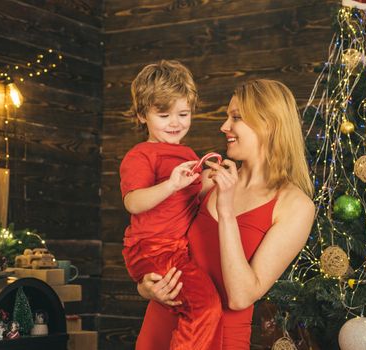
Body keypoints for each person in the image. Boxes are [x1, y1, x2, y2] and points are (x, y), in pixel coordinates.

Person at [136, 79, 316, 349]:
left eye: (236, 117)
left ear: (268, 124)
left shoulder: (296, 206)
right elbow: (153, 235)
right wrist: (144, 286)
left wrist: (226, 211)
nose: (224, 127)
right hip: (161, 325)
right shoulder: (206, 179)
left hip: (219, 339)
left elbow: (241, 297)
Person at [120, 60, 222, 350]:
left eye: (183, 113)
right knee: (205, 309)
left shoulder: (186, 152)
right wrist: (170, 184)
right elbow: (134, 202)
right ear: (142, 115)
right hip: (154, 248)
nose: (175, 123)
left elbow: (191, 195)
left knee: (199, 309)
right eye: (164, 115)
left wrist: (209, 179)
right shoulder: (141, 155)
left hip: (177, 249)